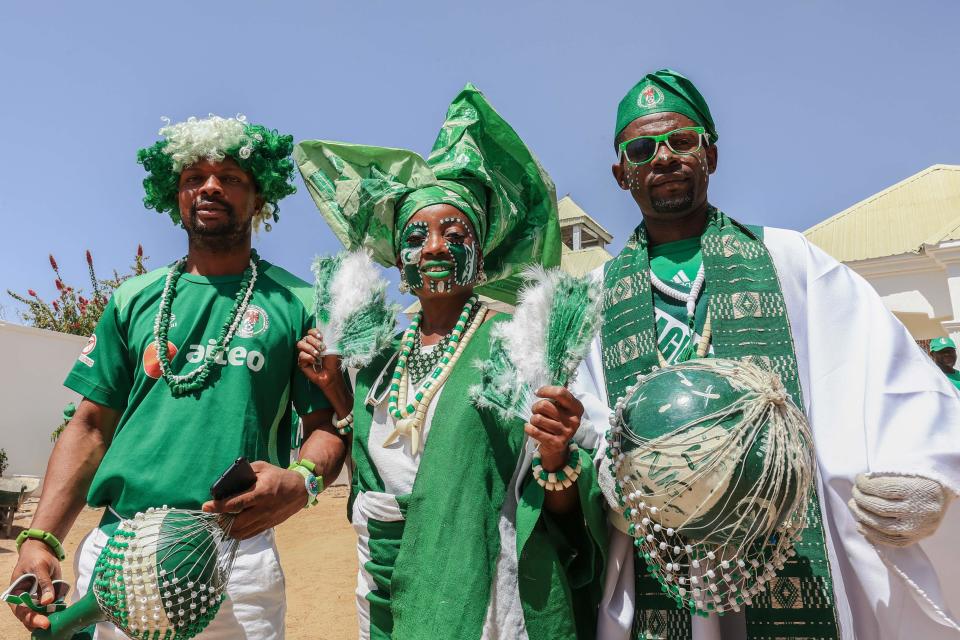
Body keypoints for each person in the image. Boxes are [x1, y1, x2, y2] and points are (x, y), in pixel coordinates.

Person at [581, 69, 960, 639]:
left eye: (681, 141)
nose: (662, 158)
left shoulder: (790, 261)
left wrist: (923, 471)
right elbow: (584, 419)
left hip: (789, 539)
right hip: (660, 547)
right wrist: (613, 472)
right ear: (620, 172)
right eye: (641, 148)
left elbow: (885, 373)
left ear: (710, 153)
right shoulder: (594, 295)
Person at [8, 115, 346, 639]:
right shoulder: (132, 299)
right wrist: (42, 538)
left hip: (235, 555)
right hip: (123, 550)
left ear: (260, 199)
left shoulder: (299, 304)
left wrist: (302, 481)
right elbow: (91, 426)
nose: (210, 186)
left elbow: (327, 423)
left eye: (231, 176)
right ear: (175, 196)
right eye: (194, 178)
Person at [294, 84, 607, 640]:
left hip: (484, 593)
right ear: (398, 257)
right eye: (416, 235)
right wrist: (339, 394)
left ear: (481, 253)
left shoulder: (518, 346)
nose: (433, 247)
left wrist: (557, 451)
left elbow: (554, 511)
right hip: (385, 586)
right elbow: (372, 475)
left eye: (453, 232)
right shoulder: (380, 359)